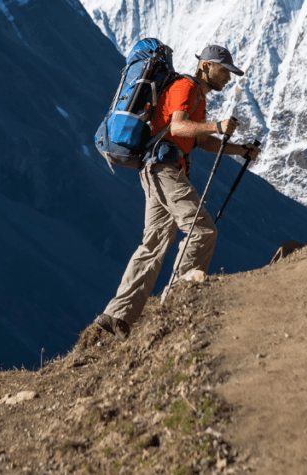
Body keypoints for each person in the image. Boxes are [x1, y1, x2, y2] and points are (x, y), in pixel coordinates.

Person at [94, 45, 260, 341]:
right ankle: (178, 305)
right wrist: (217, 126)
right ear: (205, 67)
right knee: (202, 232)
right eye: (224, 71)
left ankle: (117, 314)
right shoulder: (186, 87)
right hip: (166, 169)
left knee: (155, 241)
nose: (227, 78)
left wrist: (239, 150)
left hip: (159, 167)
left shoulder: (197, 94)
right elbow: (179, 126)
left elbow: (199, 140)